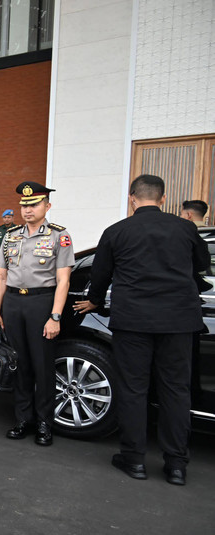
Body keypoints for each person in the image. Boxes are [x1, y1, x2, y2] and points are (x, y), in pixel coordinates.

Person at [75, 175, 208, 486]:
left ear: (132, 198)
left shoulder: (117, 231)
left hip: (133, 320)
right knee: (176, 390)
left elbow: (101, 274)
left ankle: (134, 459)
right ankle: (176, 465)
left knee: (133, 389)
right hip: (178, 320)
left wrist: (94, 301)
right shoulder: (185, 227)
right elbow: (201, 263)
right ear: (163, 199)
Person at [0, 181, 74, 446]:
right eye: (24, 205)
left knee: (42, 366)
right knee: (21, 365)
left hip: (42, 304)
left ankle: (44, 423)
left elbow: (63, 281)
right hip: (14, 304)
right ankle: (23, 419)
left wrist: (55, 316)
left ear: (47, 206)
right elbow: (1, 277)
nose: (27, 210)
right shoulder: (10, 235)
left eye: (34, 204)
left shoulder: (59, 236)